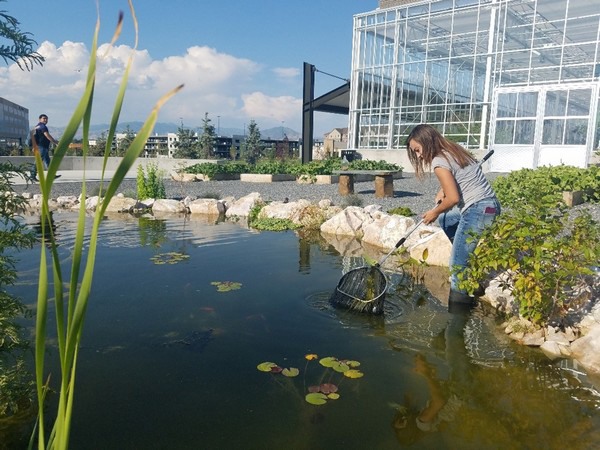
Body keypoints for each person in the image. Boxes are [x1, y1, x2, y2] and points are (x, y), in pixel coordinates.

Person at [405, 124, 500, 307]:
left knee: (456, 266)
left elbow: (454, 198)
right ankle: (466, 260)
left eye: (417, 150)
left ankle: (458, 312)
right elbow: (463, 176)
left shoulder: (438, 161)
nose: (418, 156)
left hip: (477, 210)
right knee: (447, 219)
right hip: (491, 206)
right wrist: (443, 190)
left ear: (427, 141)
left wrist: (434, 212)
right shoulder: (454, 150)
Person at [30, 113, 60, 181]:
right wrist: (55, 142)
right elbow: (47, 135)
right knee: (38, 162)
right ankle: (32, 175)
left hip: (41, 147)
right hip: (42, 147)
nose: (45, 120)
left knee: (47, 161)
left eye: (46, 119)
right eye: (44, 118)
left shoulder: (36, 127)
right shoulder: (42, 126)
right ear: (40, 119)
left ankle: (52, 175)